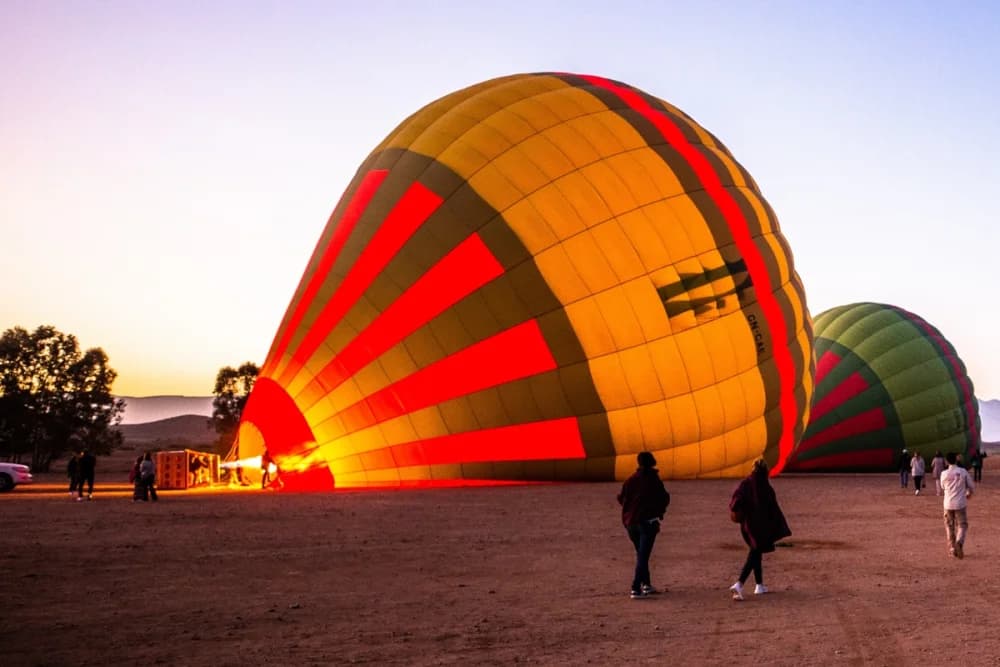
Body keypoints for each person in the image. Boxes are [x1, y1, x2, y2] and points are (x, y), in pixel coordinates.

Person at [728, 459, 791, 601]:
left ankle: (759, 585)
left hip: (746, 527)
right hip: (760, 528)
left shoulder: (745, 484)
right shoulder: (766, 487)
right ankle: (739, 583)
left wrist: (739, 513)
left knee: (756, 552)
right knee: (755, 552)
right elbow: (773, 509)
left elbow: (736, 501)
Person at [616, 451, 670, 599]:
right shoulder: (653, 479)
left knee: (641, 555)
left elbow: (621, 498)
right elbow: (664, 497)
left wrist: (630, 510)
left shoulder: (630, 480)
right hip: (647, 523)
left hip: (631, 524)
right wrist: (658, 511)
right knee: (642, 556)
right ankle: (635, 588)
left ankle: (646, 584)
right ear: (653, 461)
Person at [941, 452, 974, 558]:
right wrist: (968, 493)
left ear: (946, 462)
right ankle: (959, 543)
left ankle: (952, 548)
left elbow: (942, 487)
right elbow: (971, 486)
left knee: (949, 526)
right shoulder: (963, 472)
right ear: (956, 460)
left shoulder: (944, 473)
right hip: (960, 503)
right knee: (962, 525)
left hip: (948, 503)